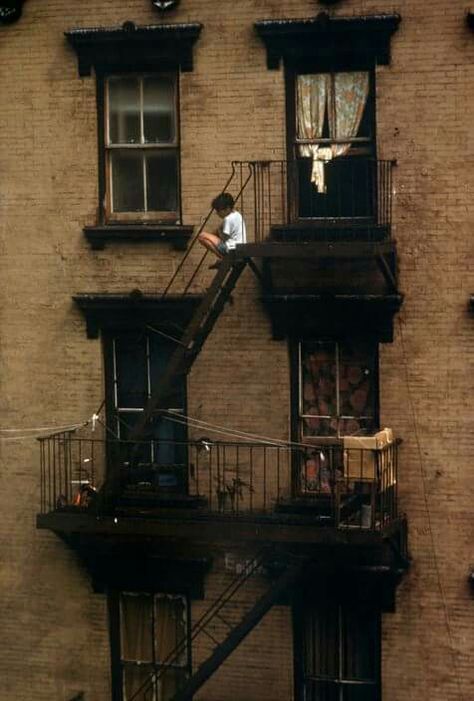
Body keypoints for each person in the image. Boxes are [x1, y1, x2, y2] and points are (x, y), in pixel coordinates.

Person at [198, 192, 246, 267]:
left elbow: (224, 239)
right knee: (213, 233)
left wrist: (215, 234)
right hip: (240, 248)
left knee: (201, 236)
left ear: (227, 208)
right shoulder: (237, 215)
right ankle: (224, 258)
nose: (217, 213)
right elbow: (219, 231)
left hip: (231, 248)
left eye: (218, 210)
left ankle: (224, 258)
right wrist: (216, 232)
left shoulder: (228, 219)